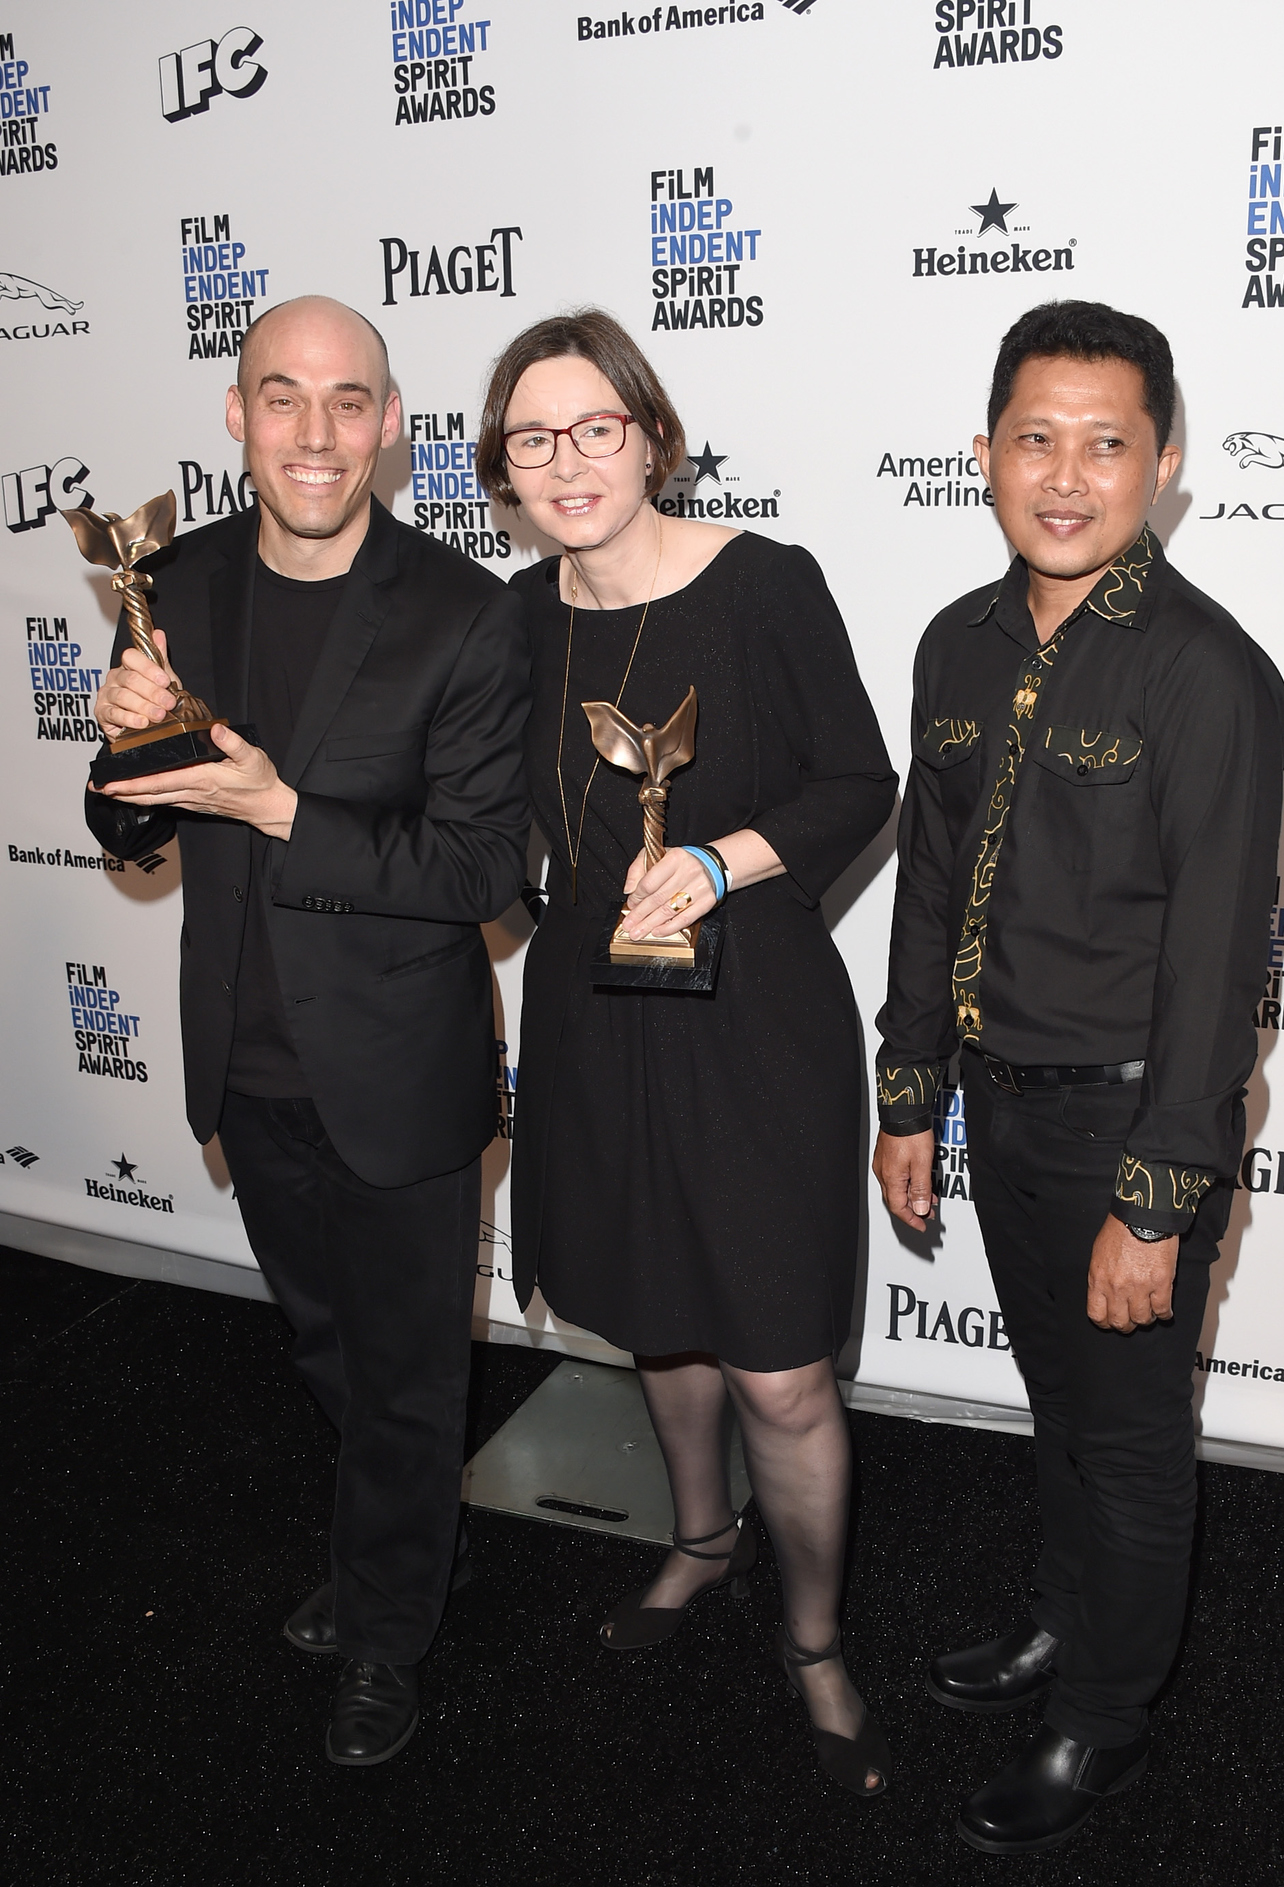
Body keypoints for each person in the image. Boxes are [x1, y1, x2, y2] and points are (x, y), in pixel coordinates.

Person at [84, 296, 531, 1766]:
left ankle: (389, 1632)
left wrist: (279, 807)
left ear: (393, 424)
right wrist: (123, 753)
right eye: (285, 398)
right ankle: (393, 1542)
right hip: (247, 1062)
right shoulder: (176, 582)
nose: (318, 433)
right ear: (237, 414)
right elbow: (130, 829)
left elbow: (485, 875)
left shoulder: (466, 612)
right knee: (333, 1350)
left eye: (350, 402)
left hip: (398, 1076)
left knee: (408, 1374)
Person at [873, 300, 1284, 1852]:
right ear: (984, 453)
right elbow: (927, 883)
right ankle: (1066, 1623)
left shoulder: (1209, 678)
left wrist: (1159, 1200)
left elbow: (1216, 971)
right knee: (1060, 1403)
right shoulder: (954, 647)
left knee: (1126, 1439)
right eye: (1034, 438)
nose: (1065, 474)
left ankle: (1106, 1719)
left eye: (1105, 443)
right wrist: (909, 1090)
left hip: (1133, 1119)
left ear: (1162, 465)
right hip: (1000, 1097)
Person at [475, 310, 898, 1797]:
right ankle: (699, 1541)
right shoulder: (519, 622)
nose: (569, 460)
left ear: (653, 437)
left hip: (756, 1023)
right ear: (501, 470)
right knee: (659, 1325)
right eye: (534, 437)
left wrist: (720, 862)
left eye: (598, 427)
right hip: (597, 1024)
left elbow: (862, 780)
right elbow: (510, 819)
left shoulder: (764, 586)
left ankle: (817, 1636)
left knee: (782, 1368)